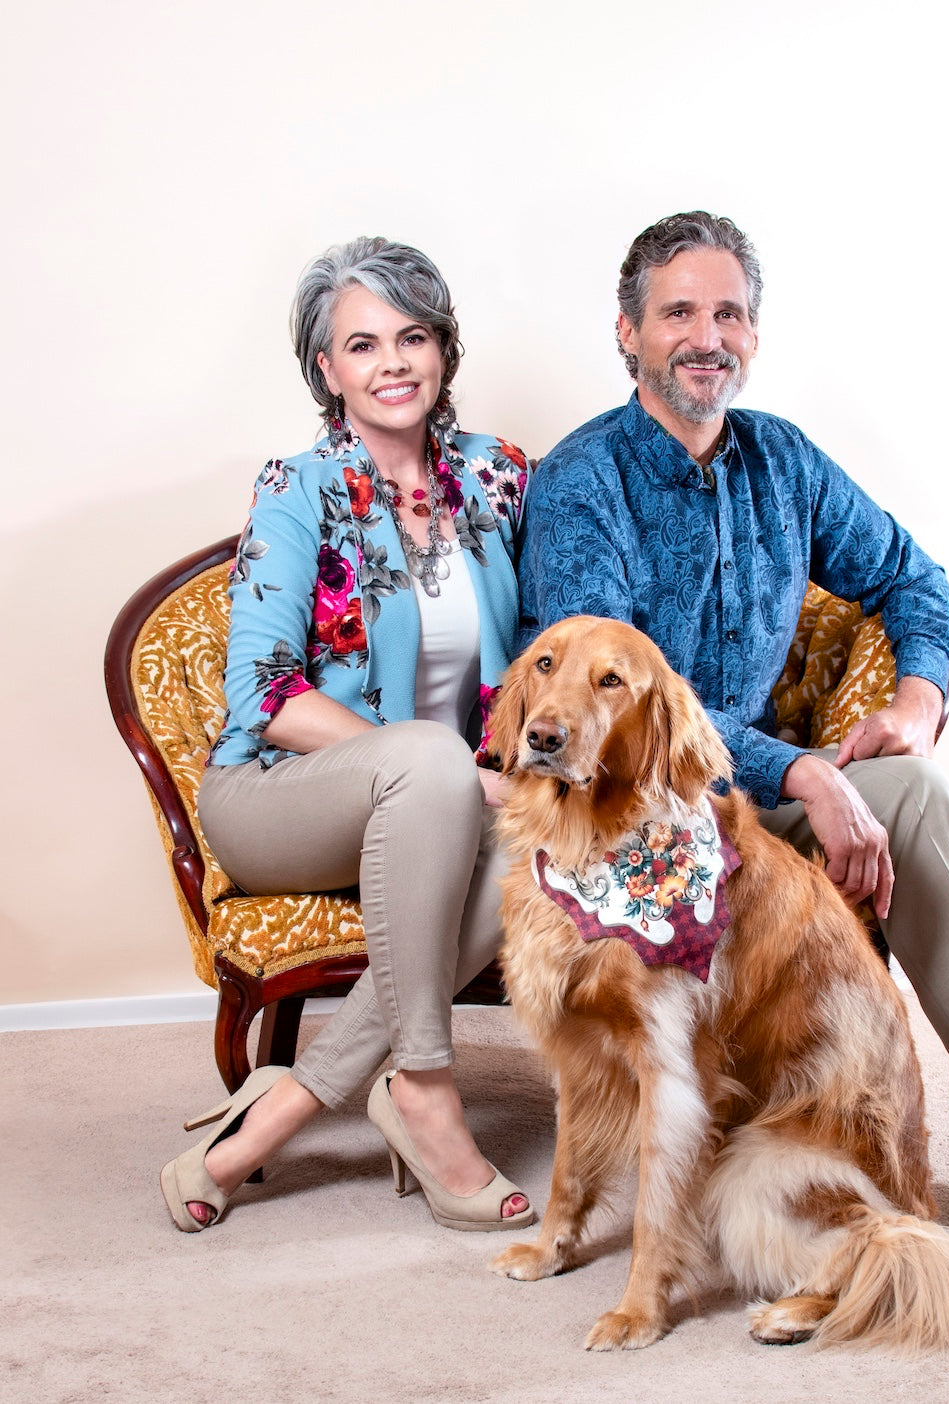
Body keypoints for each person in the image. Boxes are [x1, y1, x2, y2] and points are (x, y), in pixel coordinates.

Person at [517, 211, 949, 1246]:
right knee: (816, 793)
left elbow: (919, 583)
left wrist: (917, 704)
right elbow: (625, 712)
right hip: (632, 826)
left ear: (755, 336)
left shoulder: (784, 462)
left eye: (729, 313)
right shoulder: (579, 485)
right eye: (678, 311)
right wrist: (808, 772)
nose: (707, 335)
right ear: (627, 332)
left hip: (756, 810)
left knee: (916, 794)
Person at [159, 237, 534, 1234]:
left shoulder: (496, 477)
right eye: (363, 345)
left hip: (443, 799)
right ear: (328, 370)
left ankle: (281, 1110)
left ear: (444, 350)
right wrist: (447, 764)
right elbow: (267, 694)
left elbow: (540, 654)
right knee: (424, 756)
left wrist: (490, 773)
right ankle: (429, 1083)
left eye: (413, 337)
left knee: (546, 841)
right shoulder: (297, 486)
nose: (394, 363)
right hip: (281, 798)